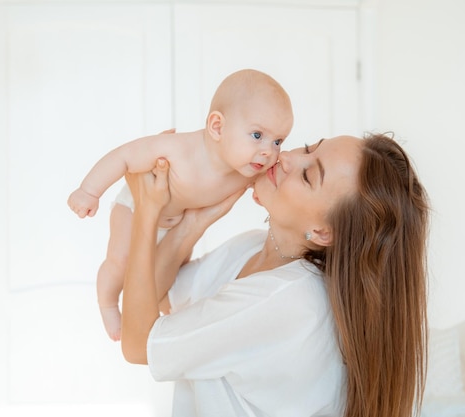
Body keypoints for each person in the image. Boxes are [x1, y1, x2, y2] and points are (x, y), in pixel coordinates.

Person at [121, 133, 429, 417]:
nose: (287, 158)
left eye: (308, 175)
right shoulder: (252, 246)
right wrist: (196, 220)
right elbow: (160, 298)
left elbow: (139, 344)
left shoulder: (286, 300)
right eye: (309, 147)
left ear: (323, 232)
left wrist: (146, 209)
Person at [67, 69, 294, 341]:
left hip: (174, 223)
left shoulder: (248, 168)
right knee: (121, 263)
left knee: (170, 277)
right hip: (134, 207)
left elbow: (269, 187)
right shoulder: (178, 149)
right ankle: (107, 305)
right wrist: (89, 190)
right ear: (217, 127)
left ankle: (153, 319)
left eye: (278, 141)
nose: (270, 151)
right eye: (257, 135)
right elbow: (125, 157)